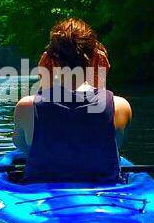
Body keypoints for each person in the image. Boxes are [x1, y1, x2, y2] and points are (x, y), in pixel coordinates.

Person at [12, 18, 132, 183]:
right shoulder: (120, 106)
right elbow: (114, 145)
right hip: (103, 194)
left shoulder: (26, 107)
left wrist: (44, 82)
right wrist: (100, 79)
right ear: (96, 58)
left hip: (41, 192)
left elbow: (25, 147)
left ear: (49, 61)